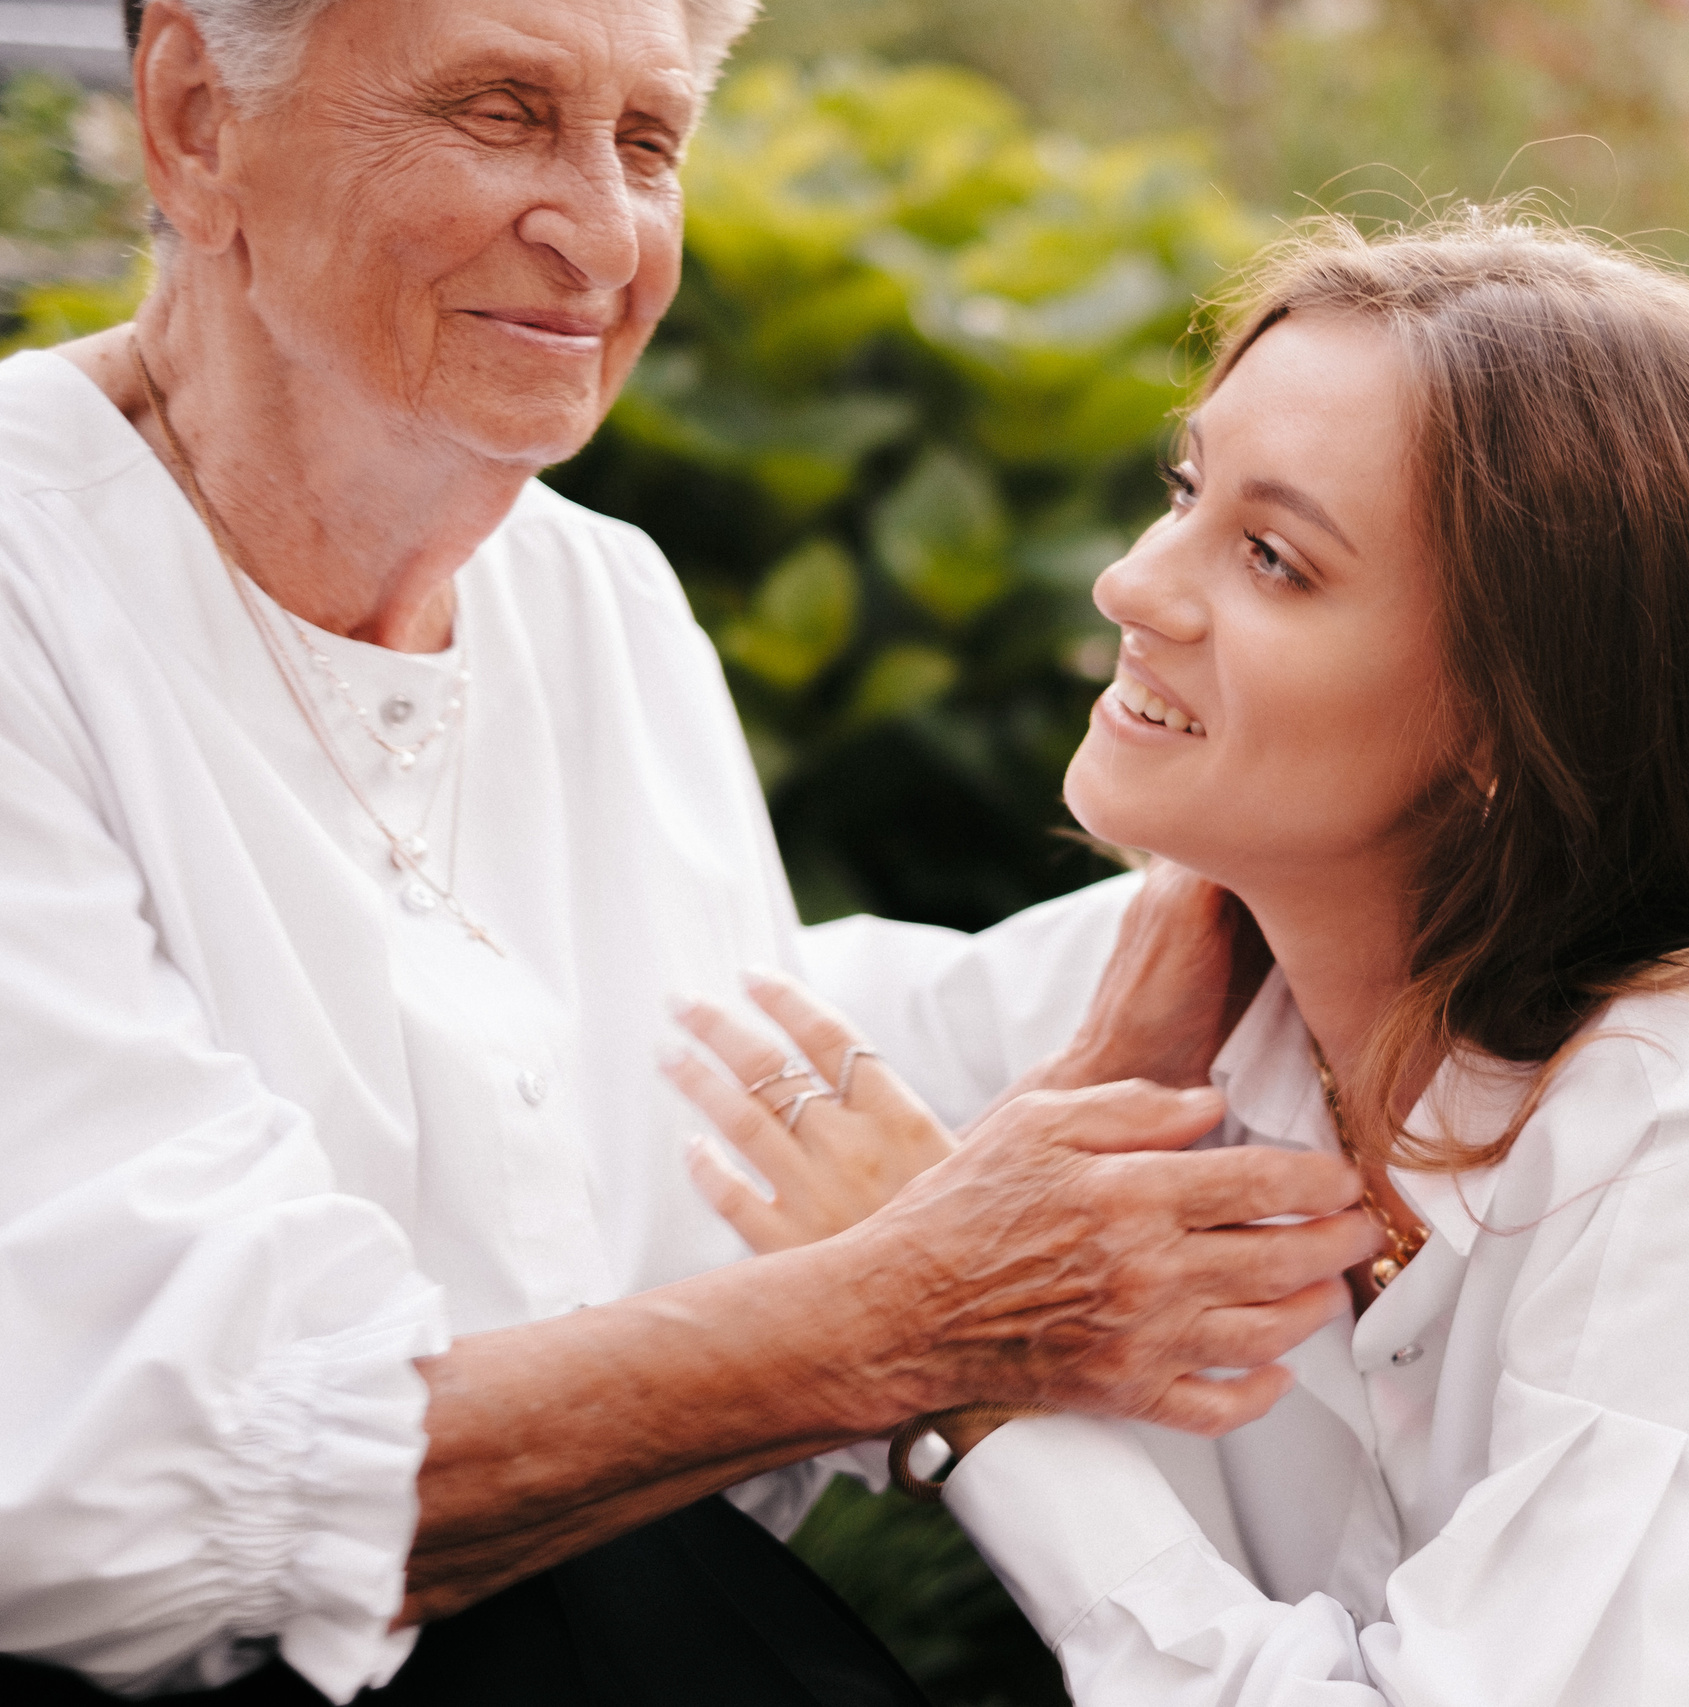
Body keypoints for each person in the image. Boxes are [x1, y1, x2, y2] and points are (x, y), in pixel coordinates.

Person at [0, 2, 1378, 1702]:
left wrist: (1152, 1009)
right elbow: (116, 1499)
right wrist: (915, 1315)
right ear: (199, 119)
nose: (602, 233)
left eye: (648, 142)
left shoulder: (606, 609)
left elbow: (726, 1328)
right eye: (502, 115)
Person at [677, 218, 1689, 1704]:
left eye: (1271, 557)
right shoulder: (1178, 999)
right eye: (1184, 490)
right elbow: (653, 1064)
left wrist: (981, 1386)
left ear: (1513, 722)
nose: (1134, 583)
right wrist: (1029, 1151)